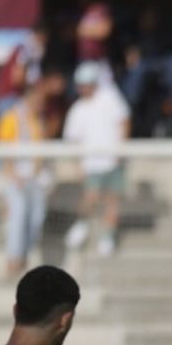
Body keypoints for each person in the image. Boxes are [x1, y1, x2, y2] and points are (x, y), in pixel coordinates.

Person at [62, 61, 129, 258]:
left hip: (113, 162)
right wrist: (78, 164)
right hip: (91, 164)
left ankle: (107, 238)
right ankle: (81, 225)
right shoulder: (77, 109)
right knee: (90, 198)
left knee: (112, 201)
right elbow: (72, 140)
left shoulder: (110, 98)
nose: (84, 88)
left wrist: (120, 150)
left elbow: (124, 121)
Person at [0, 84, 53, 277]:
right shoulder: (11, 118)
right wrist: (13, 176)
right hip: (15, 179)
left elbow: (40, 153)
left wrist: (35, 175)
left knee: (37, 217)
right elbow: (4, 153)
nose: (41, 104)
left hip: (34, 179)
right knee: (18, 214)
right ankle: (13, 260)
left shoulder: (38, 121)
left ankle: (24, 256)